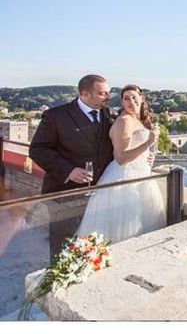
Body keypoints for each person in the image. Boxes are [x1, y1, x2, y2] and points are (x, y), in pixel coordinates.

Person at [30, 74, 115, 262]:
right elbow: (38, 150)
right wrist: (69, 171)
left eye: (109, 92)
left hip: (99, 193)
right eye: (102, 94)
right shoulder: (56, 116)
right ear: (85, 94)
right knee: (63, 246)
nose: (108, 97)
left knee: (92, 244)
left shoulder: (108, 114)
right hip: (64, 194)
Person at [76, 84, 165, 243]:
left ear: (142, 99)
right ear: (122, 102)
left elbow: (136, 148)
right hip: (124, 180)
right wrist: (149, 142)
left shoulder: (136, 120)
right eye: (126, 98)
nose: (131, 101)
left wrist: (150, 154)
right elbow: (121, 158)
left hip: (140, 177)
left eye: (134, 97)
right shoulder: (124, 121)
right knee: (123, 230)